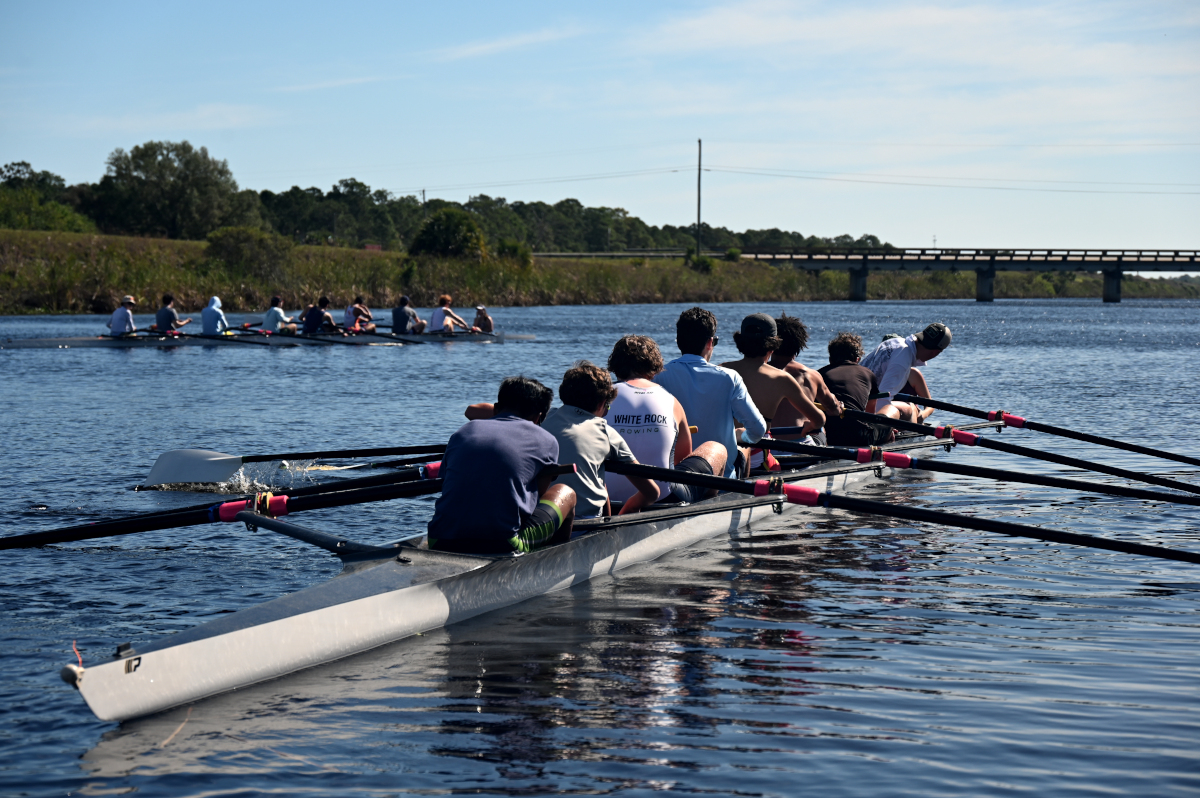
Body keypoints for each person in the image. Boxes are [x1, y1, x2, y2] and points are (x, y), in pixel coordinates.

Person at [427, 376, 576, 555]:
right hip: (503, 544)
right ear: (539, 416)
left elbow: (447, 482)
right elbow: (538, 497)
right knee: (566, 492)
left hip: (439, 539)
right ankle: (558, 562)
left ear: (496, 408)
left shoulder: (463, 431)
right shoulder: (547, 440)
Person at [605, 334, 728, 506]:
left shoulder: (600, 399)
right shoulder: (671, 401)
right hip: (665, 497)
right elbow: (683, 459)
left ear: (615, 367)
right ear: (654, 368)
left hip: (608, 497)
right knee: (717, 448)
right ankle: (704, 511)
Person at [653, 307, 768, 479]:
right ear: (710, 342)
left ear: (678, 342)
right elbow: (758, 430)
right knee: (745, 449)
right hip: (719, 479)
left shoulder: (657, 376)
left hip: (675, 478)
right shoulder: (730, 377)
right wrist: (742, 436)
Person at [538, 362, 659, 518]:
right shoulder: (605, 431)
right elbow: (652, 492)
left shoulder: (544, 420)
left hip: (544, 519)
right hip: (585, 525)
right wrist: (629, 508)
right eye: (607, 408)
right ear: (602, 403)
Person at [719, 313, 825, 473]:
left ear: (740, 342)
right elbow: (819, 419)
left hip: (725, 452)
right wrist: (811, 425)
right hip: (757, 458)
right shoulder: (782, 378)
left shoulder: (721, 370)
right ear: (774, 345)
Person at [769, 313, 842, 445]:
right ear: (800, 344)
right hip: (802, 448)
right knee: (820, 428)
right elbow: (834, 410)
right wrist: (838, 404)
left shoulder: (757, 373)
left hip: (766, 446)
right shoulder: (810, 375)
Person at [860, 322, 952, 423]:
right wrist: (880, 430)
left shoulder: (895, 342)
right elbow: (882, 397)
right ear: (935, 352)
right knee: (910, 408)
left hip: (855, 401)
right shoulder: (902, 360)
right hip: (863, 408)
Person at [818, 332, 893, 446]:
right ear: (857, 359)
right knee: (888, 414)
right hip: (860, 438)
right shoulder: (867, 373)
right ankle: (888, 439)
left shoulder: (818, 374)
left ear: (830, 359)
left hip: (828, 437)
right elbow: (870, 415)